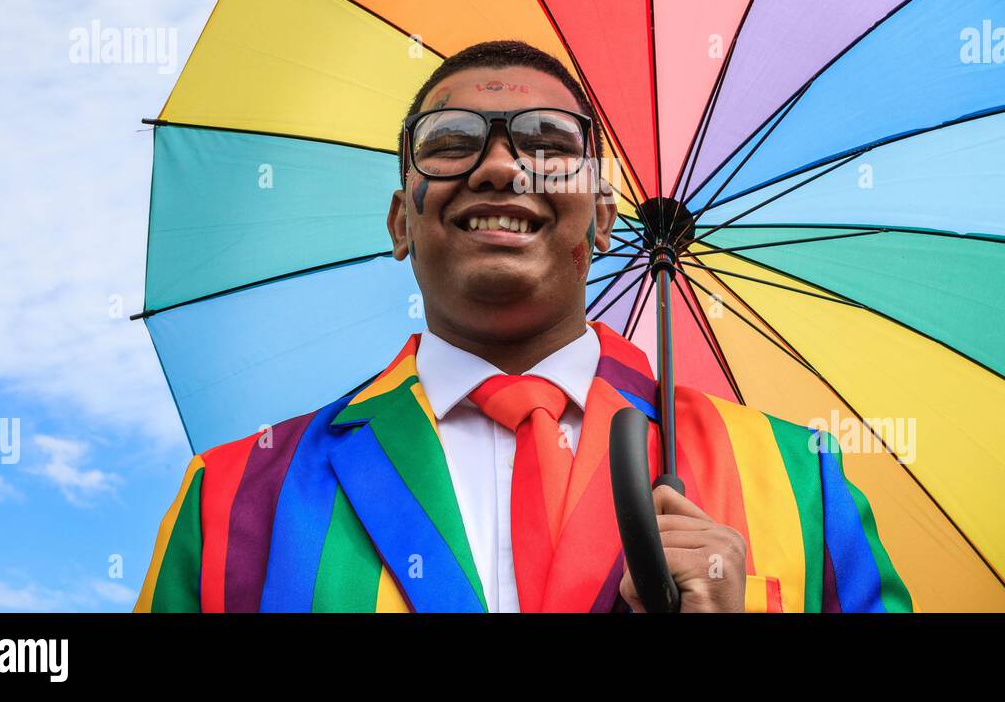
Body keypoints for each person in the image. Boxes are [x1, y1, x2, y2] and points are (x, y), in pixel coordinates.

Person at [135, 39, 912, 613]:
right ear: (402, 221)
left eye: (547, 143)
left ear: (604, 219)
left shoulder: (798, 475)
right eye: (450, 144)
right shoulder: (231, 498)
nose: (501, 167)